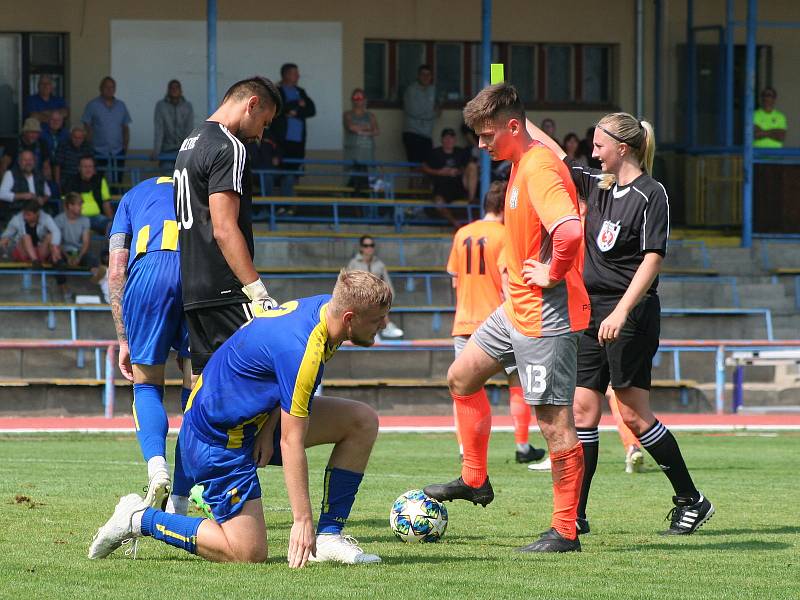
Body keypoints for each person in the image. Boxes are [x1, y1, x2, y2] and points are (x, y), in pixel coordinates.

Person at [89, 270, 391, 567]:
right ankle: (140, 518)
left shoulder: (328, 310)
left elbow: (272, 376)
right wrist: (301, 521)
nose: (384, 324)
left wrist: (268, 427)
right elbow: (291, 441)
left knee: (361, 421)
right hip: (215, 440)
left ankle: (328, 537)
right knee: (248, 552)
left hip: (252, 423)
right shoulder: (304, 349)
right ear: (350, 318)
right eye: (378, 320)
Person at [527, 112, 714, 536]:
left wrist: (621, 311)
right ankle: (575, 512)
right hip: (590, 311)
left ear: (622, 148)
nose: (592, 152)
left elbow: (653, 258)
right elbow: (552, 153)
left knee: (632, 414)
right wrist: (514, 116)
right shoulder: (598, 185)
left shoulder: (652, 193)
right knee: (582, 410)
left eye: (598, 145)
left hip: (629, 312)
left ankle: (691, 499)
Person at [423, 83, 589, 553]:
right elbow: (526, 126)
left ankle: (565, 531)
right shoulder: (525, 154)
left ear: (512, 128)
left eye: (486, 134)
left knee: (554, 422)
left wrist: (553, 271)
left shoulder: (538, 169)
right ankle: (475, 480)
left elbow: (571, 231)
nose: (481, 144)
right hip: (511, 308)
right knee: (461, 377)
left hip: (543, 315)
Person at [174, 76, 282, 377]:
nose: (260, 134)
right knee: (267, 379)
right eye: (264, 122)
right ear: (252, 104)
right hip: (226, 290)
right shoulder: (229, 146)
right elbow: (223, 227)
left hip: (194, 289)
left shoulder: (190, 142)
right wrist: (258, 292)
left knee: (207, 389)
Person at [107, 176, 194, 517]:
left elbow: (116, 270)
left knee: (145, 385)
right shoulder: (200, 186)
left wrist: (123, 338)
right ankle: (181, 501)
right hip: (195, 273)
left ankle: (157, 466)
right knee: (195, 391)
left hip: (148, 273)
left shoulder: (131, 195)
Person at [447, 180, 545, 464]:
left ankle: (467, 449)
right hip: (499, 323)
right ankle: (522, 445)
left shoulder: (462, 233)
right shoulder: (506, 234)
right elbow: (507, 280)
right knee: (517, 381)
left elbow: (455, 279)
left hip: (465, 322)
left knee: (464, 386)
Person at [271, 63, 316, 194]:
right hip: (281, 140)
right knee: (280, 172)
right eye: (295, 73)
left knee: (295, 172)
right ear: (286, 75)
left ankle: (291, 205)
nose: (298, 76)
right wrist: (297, 104)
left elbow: (311, 110)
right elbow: (278, 108)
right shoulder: (276, 90)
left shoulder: (300, 91)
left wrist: (296, 112)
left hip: (298, 140)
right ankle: (279, 205)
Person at [346, 235, 402, 338]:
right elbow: (348, 284)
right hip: (359, 298)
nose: (369, 248)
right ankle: (386, 326)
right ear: (361, 248)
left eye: (371, 245)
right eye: (366, 245)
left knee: (377, 302)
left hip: (376, 298)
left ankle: (378, 330)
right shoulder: (353, 264)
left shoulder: (379, 264)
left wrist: (389, 298)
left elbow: (387, 283)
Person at [422, 128, 477, 228]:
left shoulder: (460, 152)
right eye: (446, 138)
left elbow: (469, 166)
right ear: (442, 139)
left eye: (451, 138)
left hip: (459, 185)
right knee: (438, 202)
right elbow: (423, 168)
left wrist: (457, 171)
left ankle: (471, 200)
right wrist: (440, 172)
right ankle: (456, 224)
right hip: (442, 187)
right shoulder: (435, 152)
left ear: (455, 140)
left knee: (472, 166)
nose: (449, 140)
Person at [81, 76, 132, 183]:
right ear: (101, 88)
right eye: (106, 87)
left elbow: (125, 127)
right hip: (98, 151)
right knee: (97, 180)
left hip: (117, 151)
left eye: (112, 87)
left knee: (117, 181)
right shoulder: (92, 105)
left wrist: (125, 148)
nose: (109, 89)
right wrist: (90, 146)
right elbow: (87, 126)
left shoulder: (121, 105)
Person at [54, 192, 100, 299]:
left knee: (93, 259)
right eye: (78, 205)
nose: (81, 208)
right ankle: (65, 291)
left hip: (80, 251)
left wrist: (78, 257)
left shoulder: (85, 220)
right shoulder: (59, 219)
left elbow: (86, 242)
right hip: (64, 251)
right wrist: (68, 257)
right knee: (57, 261)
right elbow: (57, 242)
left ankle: (100, 289)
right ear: (70, 206)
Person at [63, 155, 114, 235]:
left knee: (112, 226)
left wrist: (111, 219)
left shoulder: (100, 180)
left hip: (97, 217)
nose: (88, 169)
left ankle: (111, 247)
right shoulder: (71, 181)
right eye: (85, 167)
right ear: (79, 168)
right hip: (77, 218)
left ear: (94, 168)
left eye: (90, 166)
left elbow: (106, 203)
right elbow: (66, 203)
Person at [0, 199, 61, 264]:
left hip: (40, 251)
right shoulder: (16, 219)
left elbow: (56, 231)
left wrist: (54, 246)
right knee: (26, 237)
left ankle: (58, 260)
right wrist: (5, 241)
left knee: (51, 236)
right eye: (24, 214)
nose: (25, 217)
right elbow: (6, 235)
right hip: (23, 252)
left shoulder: (46, 218)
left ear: (37, 213)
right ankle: (35, 262)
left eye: (28, 215)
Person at [153, 79, 195, 169]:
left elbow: (189, 129)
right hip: (166, 150)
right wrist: (156, 152)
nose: (174, 89)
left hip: (183, 150)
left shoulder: (187, 106)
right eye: (172, 88)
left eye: (177, 87)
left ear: (181, 91)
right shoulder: (161, 106)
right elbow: (159, 130)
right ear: (168, 90)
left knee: (182, 179)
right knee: (167, 179)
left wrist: (189, 151)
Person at [343, 88, 379, 192]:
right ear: (352, 100)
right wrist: (368, 128)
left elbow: (376, 131)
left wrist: (361, 131)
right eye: (355, 97)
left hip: (368, 156)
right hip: (353, 156)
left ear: (364, 100)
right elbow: (351, 127)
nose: (358, 100)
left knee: (369, 188)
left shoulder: (370, 115)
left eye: (360, 97)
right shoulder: (347, 114)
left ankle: (369, 207)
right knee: (352, 188)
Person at [0, 150, 52, 222]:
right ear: (19, 162)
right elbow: (2, 194)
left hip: (37, 212)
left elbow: (48, 193)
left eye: (30, 160)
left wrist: (43, 199)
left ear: (34, 162)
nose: (28, 163)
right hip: (17, 212)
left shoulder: (39, 174)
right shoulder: (10, 174)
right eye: (25, 160)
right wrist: (23, 195)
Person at [402, 65, 438, 166]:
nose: (425, 77)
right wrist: (433, 113)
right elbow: (414, 111)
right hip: (412, 133)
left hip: (427, 135)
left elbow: (439, 105)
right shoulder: (411, 90)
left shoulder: (433, 90)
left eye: (428, 75)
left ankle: (423, 183)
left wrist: (436, 110)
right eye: (423, 74)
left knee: (428, 166)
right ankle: (414, 183)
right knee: (414, 167)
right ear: (418, 76)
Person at [53, 124, 93, 190]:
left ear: (83, 138)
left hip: (83, 180)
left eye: (80, 138)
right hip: (66, 179)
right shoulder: (63, 146)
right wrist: (57, 183)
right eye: (75, 137)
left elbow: (92, 165)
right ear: (71, 137)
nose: (77, 140)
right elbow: (57, 165)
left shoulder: (87, 147)